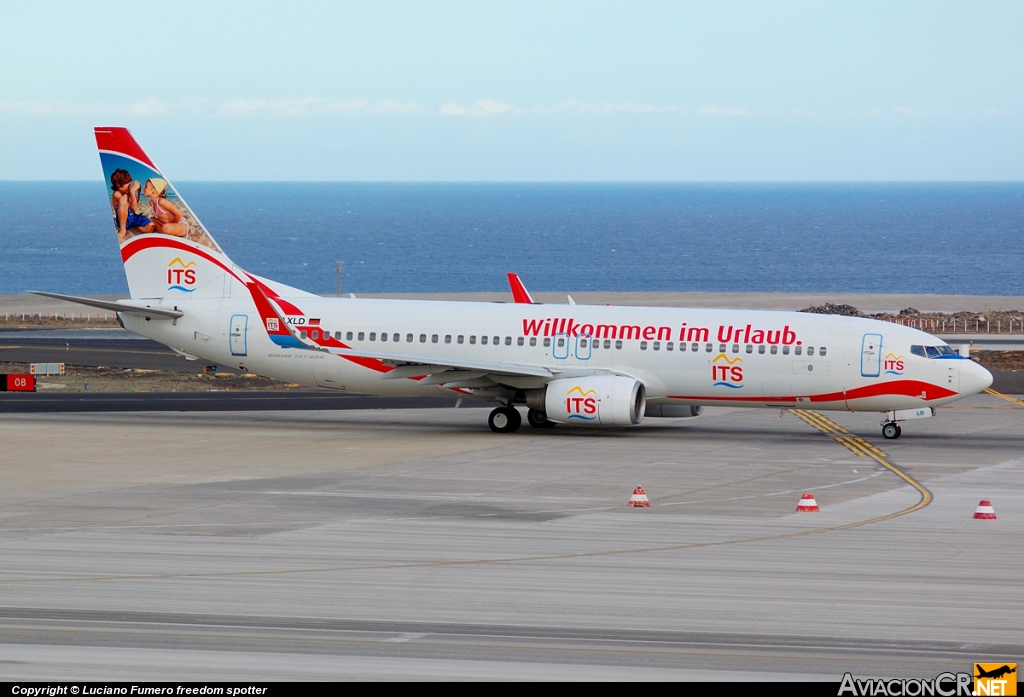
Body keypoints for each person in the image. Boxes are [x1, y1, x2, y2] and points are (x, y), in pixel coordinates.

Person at [109, 169, 153, 241]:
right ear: (119, 185)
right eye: (128, 185)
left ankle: (133, 228)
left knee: (150, 226)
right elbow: (134, 208)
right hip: (123, 221)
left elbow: (134, 205)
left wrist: (138, 191)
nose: (130, 187)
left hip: (133, 218)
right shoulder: (117, 194)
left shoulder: (127, 193)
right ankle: (123, 230)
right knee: (123, 199)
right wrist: (132, 191)